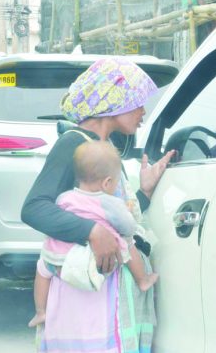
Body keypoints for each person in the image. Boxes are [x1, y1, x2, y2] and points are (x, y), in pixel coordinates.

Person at [21, 57, 175, 353]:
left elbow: (108, 214)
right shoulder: (74, 144)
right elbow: (34, 207)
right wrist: (92, 231)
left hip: (103, 300)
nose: (144, 111)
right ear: (114, 102)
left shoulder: (100, 149)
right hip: (83, 306)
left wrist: (143, 191)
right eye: (138, 102)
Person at [28, 140, 159, 328]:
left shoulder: (64, 198)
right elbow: (128, 227)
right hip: (94, 258)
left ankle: (41, 311)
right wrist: (127, 214)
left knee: (42, 269)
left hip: (59, 257)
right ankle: (143, 279)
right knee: (128, 243)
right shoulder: (109, 202)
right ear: (107, 182)